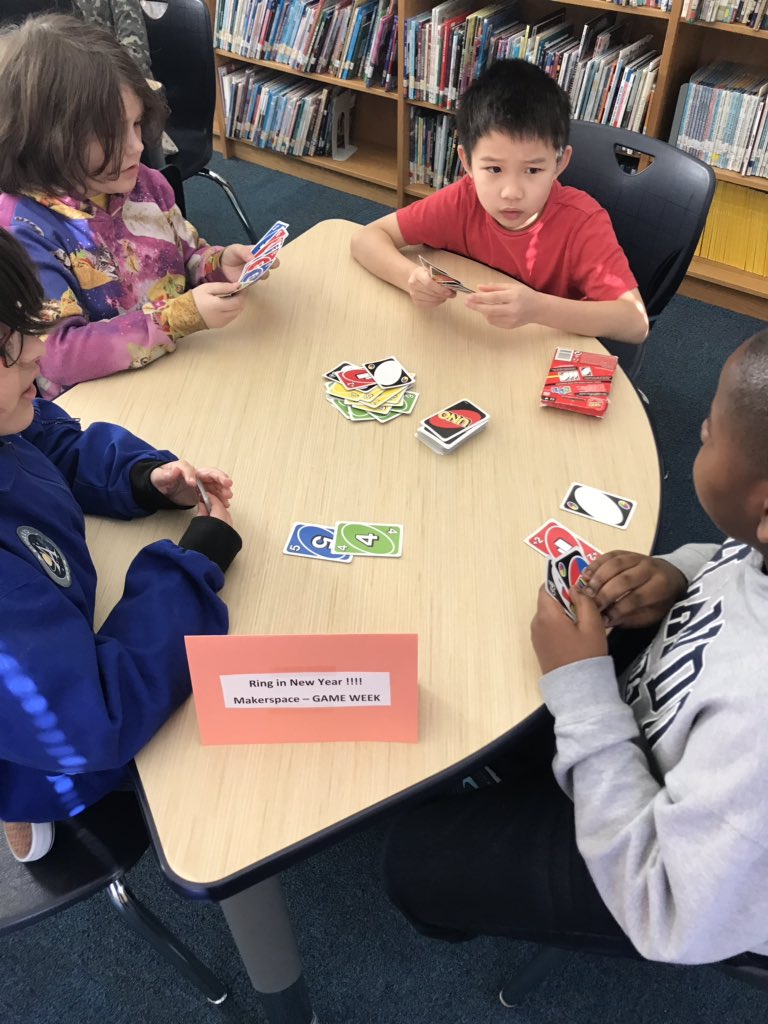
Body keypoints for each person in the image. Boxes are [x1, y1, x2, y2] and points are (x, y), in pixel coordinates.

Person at [384, 327, 768, 965]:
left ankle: (457, 905)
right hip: (650, 727)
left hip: (663, 875)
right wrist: (675, 574)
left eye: (710, 431)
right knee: (490, 656)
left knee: (412, 859)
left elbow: (670, 908)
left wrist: (581, 688)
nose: (699, 431)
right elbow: (734, 562)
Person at [0, 226, 242, 863]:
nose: (38, 351)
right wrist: (194, 565)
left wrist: (140, 478)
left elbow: (51, 441)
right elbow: (98, 716)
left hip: (60, 633)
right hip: (57, 751)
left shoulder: (8, 414)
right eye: (8, 346)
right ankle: (25, 806)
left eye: (27, 323)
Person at [0, 14, 266, 401]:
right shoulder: (22, 232)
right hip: (100, 409)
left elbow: (185, 257)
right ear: (46, 138)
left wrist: (218, 264)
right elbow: (57, 357)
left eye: (137, 123)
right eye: (111, 133)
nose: (137, 147)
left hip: (177, 372)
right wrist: (176, 319)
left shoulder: (147, 185)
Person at [351, 60, 648, 345]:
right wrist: (410, 278)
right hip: (474, 340)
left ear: (560, 163)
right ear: (467, 162)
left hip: (543, 349)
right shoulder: (462, 200)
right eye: (494, 169)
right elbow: (366, 239)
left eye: (533, 170)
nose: (511, 193)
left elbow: (635, 324)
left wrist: (538, 308)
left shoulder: (582, 221)